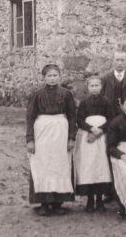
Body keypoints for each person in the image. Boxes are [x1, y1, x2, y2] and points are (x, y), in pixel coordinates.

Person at [26, 63, 77, 216]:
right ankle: (43, 202)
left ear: (59, 77)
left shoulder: (66, 94)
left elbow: (72, 116)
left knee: (59, 164)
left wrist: (71, 137)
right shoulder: (37, 95)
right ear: (44, 77)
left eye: (55, 75)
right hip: (42, 132)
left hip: (61, 132)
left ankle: (57, 203)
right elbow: (30, 117)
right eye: (49, 76)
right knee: (43, 164)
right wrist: (30, 139)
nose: (52, 78)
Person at [74, 75, 113, 212]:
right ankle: (90, 200)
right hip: (88, 137)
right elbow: (79, 119)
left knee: (100, 165)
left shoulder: (106, 101)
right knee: (89, 165)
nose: (95, 88)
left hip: (102, 137)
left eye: (97, 85)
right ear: (88, 87)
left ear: (101, 87)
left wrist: (100, 130)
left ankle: (100, 200)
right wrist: (91, 129)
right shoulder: (84, 102)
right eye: (92, 85)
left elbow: (111, 118)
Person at [101, 50, 126, 119]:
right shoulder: (106, 78)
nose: (119, 63)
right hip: (110, 115)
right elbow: (102, 97)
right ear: (113, 61)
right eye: (117, 60)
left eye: (122, 60)